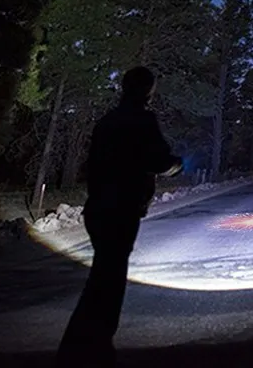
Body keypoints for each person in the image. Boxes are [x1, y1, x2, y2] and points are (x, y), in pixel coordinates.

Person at [57, 66, 182, 367]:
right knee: (109, 282)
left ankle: (83, 346)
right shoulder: (142, 119)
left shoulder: (107, 121)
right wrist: (175, 164)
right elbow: (159, 159)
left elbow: (96, 164)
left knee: (102, 277)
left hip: (98, 208)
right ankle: (90, 349)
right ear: (147, 90)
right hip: (121, 209)